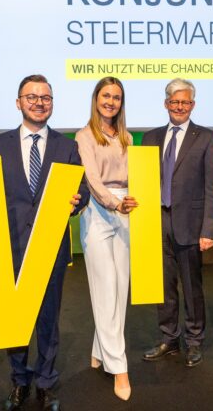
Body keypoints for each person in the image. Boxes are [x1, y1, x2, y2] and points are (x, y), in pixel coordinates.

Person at [0, 74, 89, 411]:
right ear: (19, 102)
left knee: (48, 319)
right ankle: (19, 379)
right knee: (14, 321)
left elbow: (83, 190)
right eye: (31, 97)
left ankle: (46, 381)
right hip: (10, 245)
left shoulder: (66, 146)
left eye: (46, 97)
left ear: (52, 103)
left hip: (50, 246)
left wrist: (79, 199)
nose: (39, 102)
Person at [141, 78, 213, 367]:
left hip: (191, 224)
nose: (179, 107)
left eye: (185, 102)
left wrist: (209, 229)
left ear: (193, 105)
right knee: (163, 286)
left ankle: (195, 340)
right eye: (174, 102)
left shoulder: (208, 138)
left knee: (192, 286)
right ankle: (168, 338)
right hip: (157, 221)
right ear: (166, 104)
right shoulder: (150, 138)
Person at [75, 76, 137, 401]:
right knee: (105, 287)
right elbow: (92, 180)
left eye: (116, 97)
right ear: (96, 98)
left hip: (127, 211)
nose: (111, 101)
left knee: (120, 290)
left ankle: (101, 348)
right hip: (98, 214)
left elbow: (134, 176)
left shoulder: (126, 136)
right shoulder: (85, 136)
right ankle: (120, 368)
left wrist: (131, 200)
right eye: (106, 95)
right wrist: (115, 203)